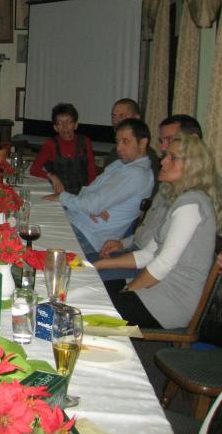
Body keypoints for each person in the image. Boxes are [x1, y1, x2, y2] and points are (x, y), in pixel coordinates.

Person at [95, 134, 221, 329]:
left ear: (192, 166)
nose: (163, 162)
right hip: (159, 288)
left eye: (172, 157)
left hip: (172, 301)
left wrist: (128, 290)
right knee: (92, 291)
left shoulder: (191, 204)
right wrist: (99, 265)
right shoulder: (180, 200)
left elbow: (163, 263)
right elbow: (149, 254)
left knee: (92, 311)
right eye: (165, 156)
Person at [96, 115, 205, 280]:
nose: (163, 148)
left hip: (149, 268)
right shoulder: (168, 184)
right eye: (161, 141)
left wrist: (127, 284)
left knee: (82, 273)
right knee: (76, 264)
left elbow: (156, 257)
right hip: (135, 252)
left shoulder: (193, 199)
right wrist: (122, 243)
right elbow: (149, 231)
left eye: (170, 140)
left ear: (193, 141)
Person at [47, 118, 154, 260]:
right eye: (118, 142)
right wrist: (91, 206)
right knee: (33, 217)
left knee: (34, 237)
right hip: (78, 219)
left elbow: (92, 204)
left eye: (126, 142)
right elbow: (88, 193)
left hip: (88, 235)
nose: (119, 148)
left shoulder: (137, 174)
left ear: (143, 143)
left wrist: (62, 197)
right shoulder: (120, 164)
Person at [30, 103, 96, 194]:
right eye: (60, 123)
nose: (65, 127)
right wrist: (52, 176)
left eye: (69, 122)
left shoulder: (85, 142)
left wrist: (93, 192)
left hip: (84, 194)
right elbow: (34, 170)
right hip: (60, 194)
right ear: (55, 128)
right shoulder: (50, 144)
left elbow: (92, 171)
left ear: (75, 125)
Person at [103, 98, 160, 181]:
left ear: (136, 118)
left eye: (122, 116)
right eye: (113, 117)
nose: (116, 121)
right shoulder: (115, 151)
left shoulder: (147, 157)